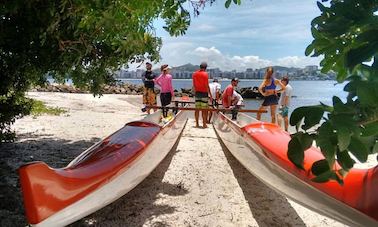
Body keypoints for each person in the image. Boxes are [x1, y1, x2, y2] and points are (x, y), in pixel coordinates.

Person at [192, 62, 211, 128]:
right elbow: (206, 85)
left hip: (197, 93)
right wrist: (210, 95)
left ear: (200, 67)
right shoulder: (205, 74)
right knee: (204, 110)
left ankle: (197, 124)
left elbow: (194, 85)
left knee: (197, 109)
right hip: (204, 93)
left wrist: (194, 93)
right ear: (205, 68)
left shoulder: (194, 74)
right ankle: (204, 124)